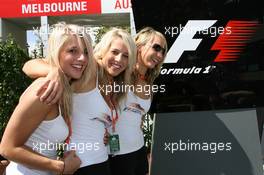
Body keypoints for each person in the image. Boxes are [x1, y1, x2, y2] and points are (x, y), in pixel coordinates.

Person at [22, 28, 137, 175]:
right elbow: (29, 65)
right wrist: (54, 72)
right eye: (114, 52)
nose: (119, 59)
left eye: (126, 56)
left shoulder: (114, 83)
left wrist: (101, 130)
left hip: (102, 161)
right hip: (79, 165)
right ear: (103, 50)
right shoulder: (89, 69)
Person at [0, 22, 97, 174]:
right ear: (56, 52)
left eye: (85, 52)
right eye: (73, 51)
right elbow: (7, 148)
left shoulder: (63, 87)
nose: (82, 58)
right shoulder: (45, 89)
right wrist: (60, 167)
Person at [108, 27, 167, 175]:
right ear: (139, 46)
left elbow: (138, 119)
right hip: (115, 155)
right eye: (156, 48)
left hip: (138, 152)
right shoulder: (119, 73)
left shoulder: (149, 84)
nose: (159, 55)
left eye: (163, 51)